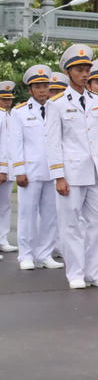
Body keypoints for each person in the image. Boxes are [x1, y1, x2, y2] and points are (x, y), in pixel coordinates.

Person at [45, 45, 98, 289]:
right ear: (68, 72)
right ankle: (75, 273)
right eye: (79, 69)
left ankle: (94, 272)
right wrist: (58, 176)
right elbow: (53, 142)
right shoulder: (56, 103)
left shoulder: (97, 101)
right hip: (71, 172)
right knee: (72, 224)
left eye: (87, 69)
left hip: (96, 171)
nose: (85, 74)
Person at [10, 64, 62, 271]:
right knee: (27, 215)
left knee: (50, 215)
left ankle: (44, 254)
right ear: (30, 90)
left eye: (45, 85)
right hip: (30, 172)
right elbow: (16, 143)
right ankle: (26, 255)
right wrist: (19, 170)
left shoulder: (55, 109)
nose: (42, 90)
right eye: (38, 86)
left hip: (52, 170)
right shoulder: (20, 112)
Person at [0, 80, 17, 254]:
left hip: (9, 168)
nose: (7, 102)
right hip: (1, 168)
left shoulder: (11, 115)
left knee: (4, 206)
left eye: (9, 99)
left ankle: (2, 239)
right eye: (4, 100)